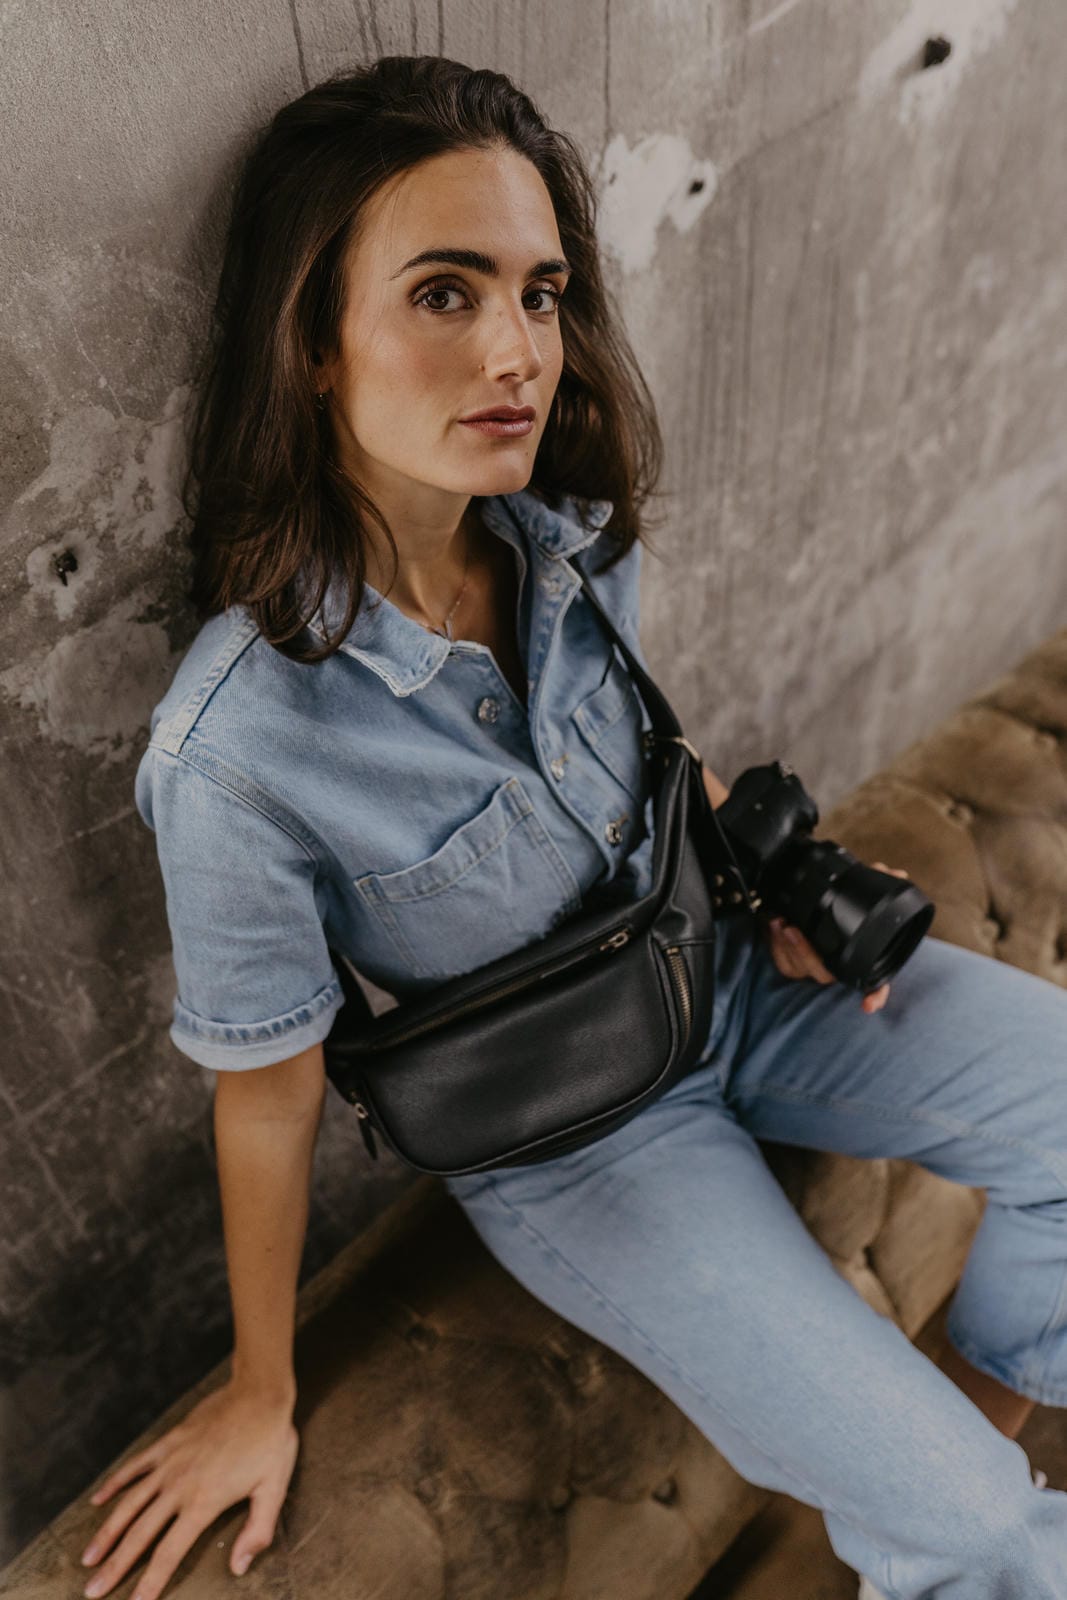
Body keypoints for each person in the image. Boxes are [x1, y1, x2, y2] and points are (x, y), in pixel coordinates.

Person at [81, 53, 1067, 1600]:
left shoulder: (570, 542)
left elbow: (639, 779)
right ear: (314, 345)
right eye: (445, 293)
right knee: (1003, 1541)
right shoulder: (239, 749)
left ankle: (987, 1394)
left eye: (540, 294)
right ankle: (959, 1487)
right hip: (581, 1140)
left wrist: (778, 873)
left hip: (734, 978)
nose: (519, 349)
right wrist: (260, 1389)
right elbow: (264, 1102)